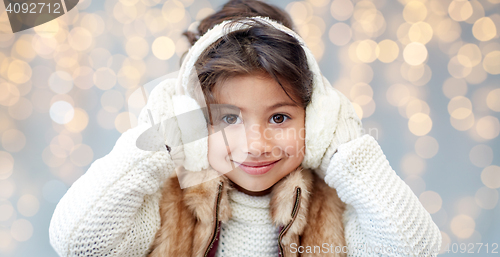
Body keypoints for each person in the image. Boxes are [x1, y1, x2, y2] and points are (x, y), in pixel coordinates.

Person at [49, 0, 442, 256]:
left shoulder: (338, 209)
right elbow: (77, 243)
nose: (255, 145)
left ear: (317, 118)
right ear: (191, 121)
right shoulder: (166, 203)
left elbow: (416, 249)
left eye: (279, 117)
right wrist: (155, 143)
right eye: (229, 118)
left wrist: (347, 152)